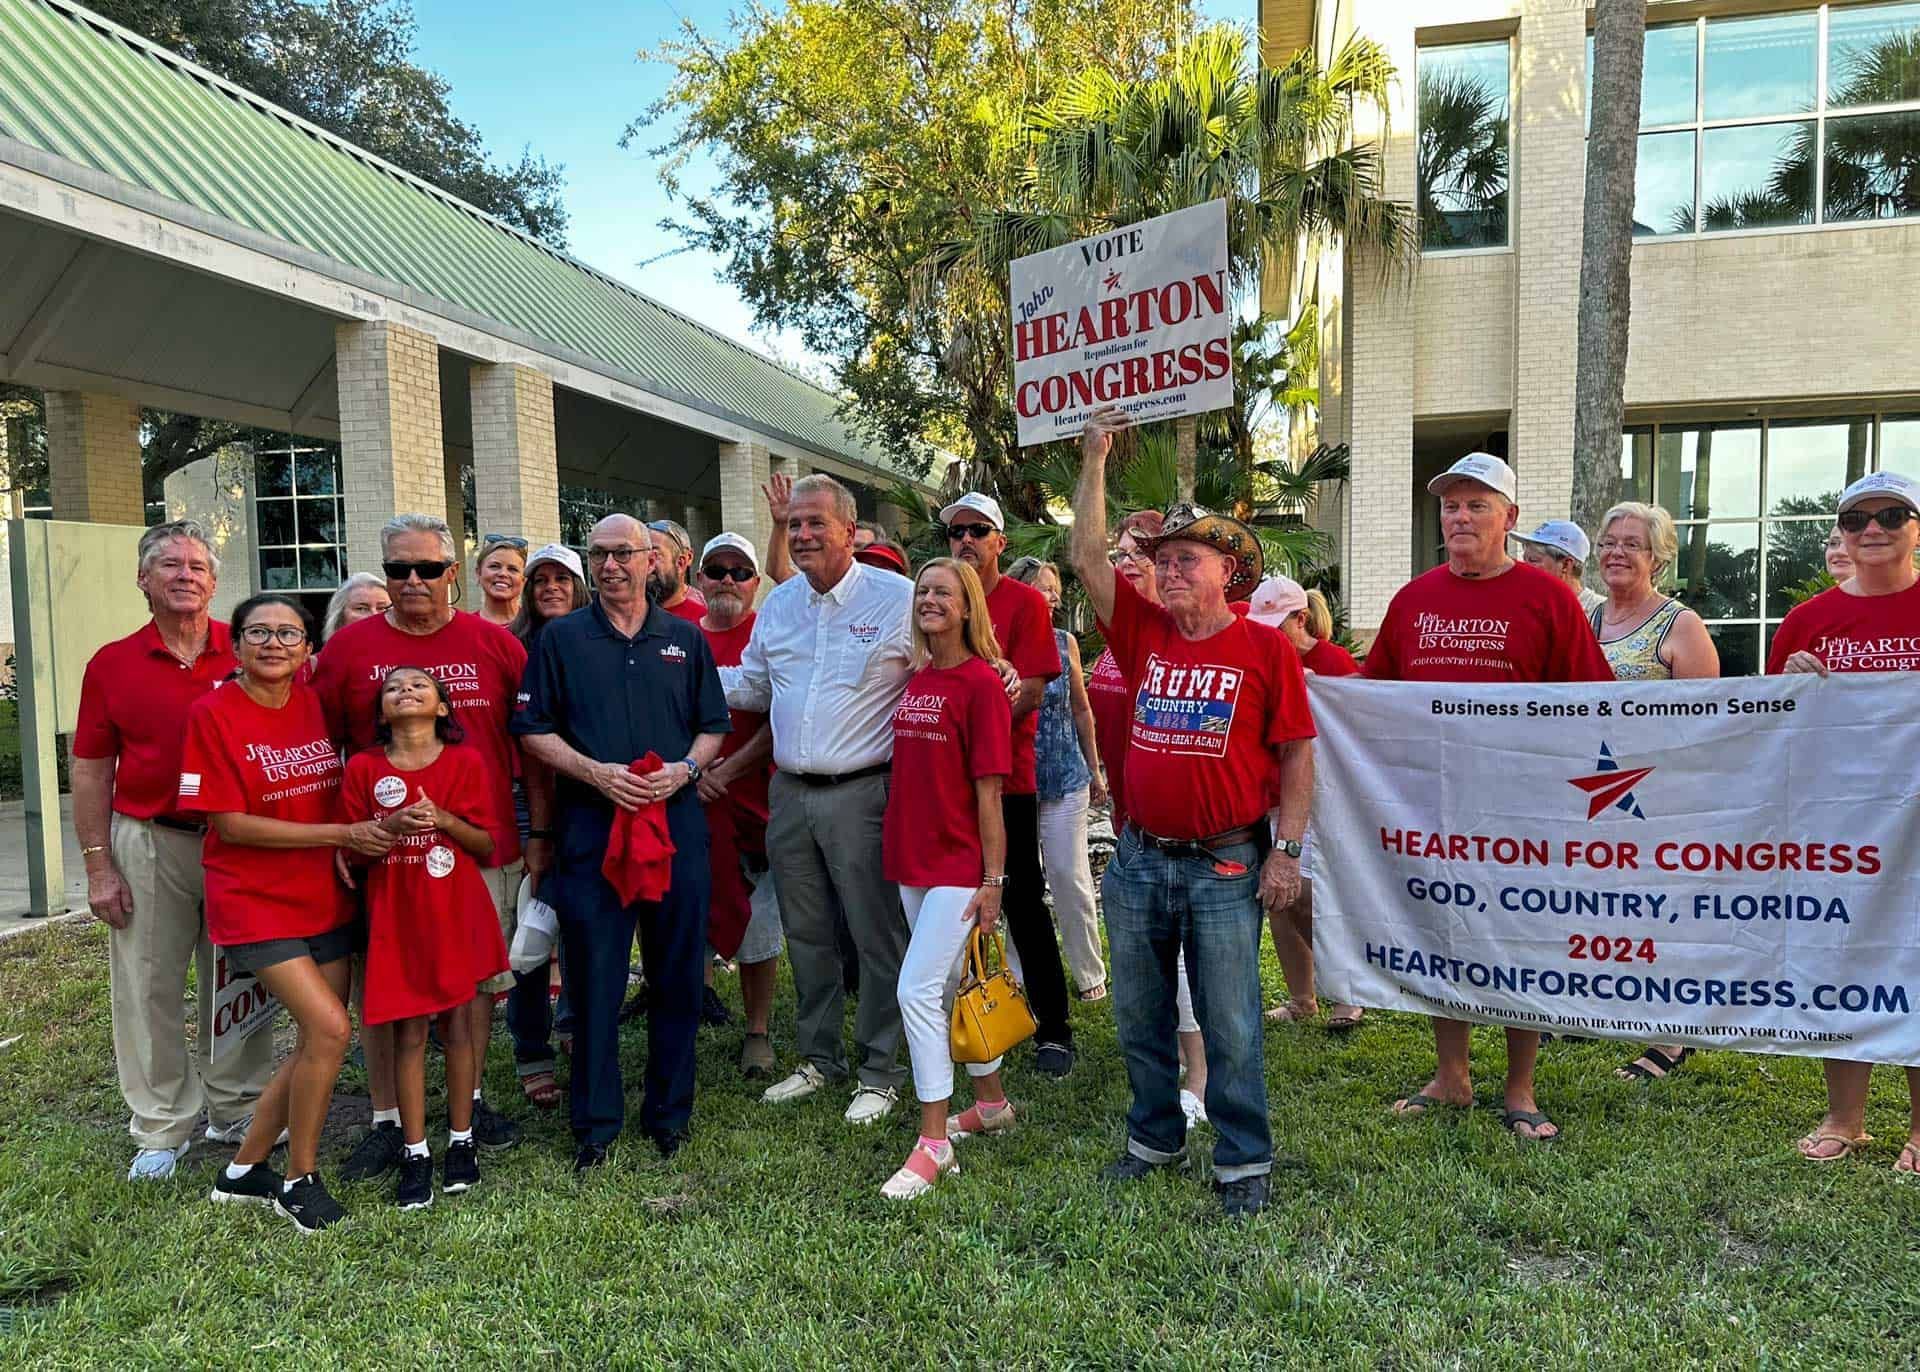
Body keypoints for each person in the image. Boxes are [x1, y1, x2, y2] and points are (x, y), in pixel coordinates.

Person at [1068, 409, 1316, 1218]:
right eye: (1161, 561)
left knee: (1233, 1018)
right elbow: (1085, 559)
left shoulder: (1265, 647)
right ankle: (1155, 1138)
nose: (1168, 573)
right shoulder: (1145, 635)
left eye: (1185, 561)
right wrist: (1096, 459)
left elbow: (1297, 753)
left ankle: (1244, 1162)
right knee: (1140, 1012)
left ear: (1227, 573)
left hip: (1227, 859)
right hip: (1140, 857)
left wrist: (1287, 851)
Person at [1364, 452, 1615, 1142]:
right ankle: (1451, 1076)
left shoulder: (1548, 598)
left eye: (1477, 505)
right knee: (1444, 935)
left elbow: (1593, 703)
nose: (1460, 517)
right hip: (1434, 809)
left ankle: (1521, 1087)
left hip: (1523, 810)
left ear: (1508, 517)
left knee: (1519, 937)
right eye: (1451, 506)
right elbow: (1371, 695)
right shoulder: (1414, 600)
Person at [311, 513, 537, 1176]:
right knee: (388, 985)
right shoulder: (351, 651)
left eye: (428, 569)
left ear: (452, 575)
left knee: (475, 983)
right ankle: (387, 1121)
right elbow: (325, 747)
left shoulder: (493, 644)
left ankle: (468, 1104)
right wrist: (336, 836)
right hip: (384, 856)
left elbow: (531, 744)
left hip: (480, 848)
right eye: (399, 570)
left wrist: (540, 832)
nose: (413, 581)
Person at [514, 514, 730, 1168]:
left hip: (674, 827)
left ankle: (668, 1115)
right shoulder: (561, 641)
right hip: (592, 826)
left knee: (675, 976)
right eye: (599, 554)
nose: (610, 566)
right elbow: (530, 728)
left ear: (651, 562)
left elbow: (713, 727)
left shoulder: (686, 640)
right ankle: (596, 1126)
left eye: (623, 554)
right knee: (596, 980)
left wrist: (686, 770)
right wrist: (592, 771)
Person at [71, 520, 276, 1180]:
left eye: (197, 565)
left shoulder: (248, 654)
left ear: (215, 582)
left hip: (238, 842)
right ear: (143, 579)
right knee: (148, 985)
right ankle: (162, 1123)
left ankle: (237, 1107)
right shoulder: (112, 664)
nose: (185, 574)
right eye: (169, 565)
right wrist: (98, 863)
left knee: (241, 977)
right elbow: (92, 768)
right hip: (151, 842)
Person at [183, 594, 392, 1234]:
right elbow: (230, 823)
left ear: (307, 647)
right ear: (237, 643)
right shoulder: (212, 713)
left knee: (318, 1038)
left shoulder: (316, 706)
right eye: (258, 632)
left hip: (325, 896)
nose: (273, 643)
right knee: (330, 1031)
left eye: (288, 633)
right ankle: (299, 1179)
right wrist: (340, 837)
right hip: (254, 900)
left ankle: (244, 1172)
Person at [722, 473, 915, 1125]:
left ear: (850, 531)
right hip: (790, 794)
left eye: (815, 523)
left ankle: (881, 1069)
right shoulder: (780, 606)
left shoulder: (897, 599)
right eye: (794, 524)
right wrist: (680, 673)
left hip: (865, 793)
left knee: (874, 933)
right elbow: (751, 687)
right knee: (807, 934)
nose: (802, 534)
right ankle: (819, 1058)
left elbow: (945, 669)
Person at [1768, 471, 1920, 1171]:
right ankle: (1846, 1119)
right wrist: (1794, 685)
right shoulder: (1807, 620)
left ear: (1916, 526)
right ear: (1842, 535)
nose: (1874, 530)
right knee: (1843, 957)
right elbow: (1772, 728)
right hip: (1841, 823)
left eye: (1892, 514)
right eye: (1857, 519)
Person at [342, 667, 510, 1207]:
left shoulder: (465, 762)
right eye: (393, 688)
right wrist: (388, 829)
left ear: (441, 707)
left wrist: (442, 820)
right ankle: (416, 1150)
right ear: (382, 711)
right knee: (408, 1035)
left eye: (419, 685)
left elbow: (486, 842)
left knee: (459, 1026)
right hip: (398, 918)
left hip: (455, 914)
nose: (405, 691)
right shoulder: (364, 768)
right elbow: (351, 854)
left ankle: (462, 1140)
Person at [879, 557, 1016, 1199]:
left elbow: (991, 795)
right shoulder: (920, 676)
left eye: (944, 592)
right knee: (953, 987)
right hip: (912, 857)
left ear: (967, 607)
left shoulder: (981, 684)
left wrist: (994, 880)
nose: (930, 599)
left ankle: (933, 1142)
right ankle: (990, 1106)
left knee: (916, 991)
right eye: (923, 591)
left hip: (961, 865)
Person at [1585, 502, 1720, 1082]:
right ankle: (1597, 1008)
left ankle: (1672, 1037)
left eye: (1632, 544)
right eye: (1609, 541)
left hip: (1661, 798)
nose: (1616, 552)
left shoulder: (1679, 625)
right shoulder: (1585, 622)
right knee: (1602, 908)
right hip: (1591, 791)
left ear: (1658, 557)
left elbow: (1708, 722)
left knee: (1664, 915)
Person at [941, 492, 1074, 1078]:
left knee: (1021, 901)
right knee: (945, 899)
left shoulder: (1022, 603)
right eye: (955, 532)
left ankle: (1054, 1029)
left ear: (1001, 542)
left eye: (977, 531)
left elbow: (1038, 690)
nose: (965, 540)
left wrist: (981, 722)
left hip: (1006, 781)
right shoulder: (939, 595)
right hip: (943, 784)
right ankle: (957, 1017)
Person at [1086, 509, 1212, 1121]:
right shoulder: (1122, 633)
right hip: (1131, 816)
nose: (1131, 559)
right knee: (1148, 956)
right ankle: (1166, 1064)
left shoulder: (1171, 629)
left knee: (1188, 958)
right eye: (1127, 549)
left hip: (1187, 835)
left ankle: (1200, 1074)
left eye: (1146, 550)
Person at [1245, 574, 1363, 1032]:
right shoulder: (1259, 658)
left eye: (1279, 625)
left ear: (1302, 619)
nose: (1269, 634)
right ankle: (1302, 996)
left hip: (1321, 798)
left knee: (1309, 893)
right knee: (1277, 897)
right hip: (1271, 795)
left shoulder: (1333, 663)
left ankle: (1347, 989)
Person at [692, 532, 786, 1078]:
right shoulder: (679, 637)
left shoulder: (768, 635)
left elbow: (784, 717)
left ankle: (757, 1031)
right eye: (716, 569)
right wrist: (693, 772)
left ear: (755, 583)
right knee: (686, 918)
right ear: (698, 578)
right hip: (690, 802)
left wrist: (727, 771)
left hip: (754, 804)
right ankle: (686, 1012)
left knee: (760, 922)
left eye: (740, 571)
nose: (727, 580)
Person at [505, 543, 590, 1108]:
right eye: (541, 580)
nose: (551, 587)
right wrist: (537, 832)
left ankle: (576, 1028)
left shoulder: (598, 644)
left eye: (563, 578)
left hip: (588, 801)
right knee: (529, 934)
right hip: (522, 806)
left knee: (587, 929)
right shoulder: (511, 650)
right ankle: (531, 1050)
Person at [1009, 556, 1108, 1002]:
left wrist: (1095, 767)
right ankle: (1019, 977)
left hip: (1066, 777)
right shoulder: (997, 643)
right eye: (1043, 588)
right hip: (1015, 784)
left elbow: (1081, 709)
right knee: (1020, 885)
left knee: (1070, 878)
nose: (1052, 596)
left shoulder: (1064, 641)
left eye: (1055, 589)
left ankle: (1089, 973)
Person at [1515, 519, 1605, 617]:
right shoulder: (1527, 609)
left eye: (1533, 560)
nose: (1524, 567)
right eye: (1524, 560)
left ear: (1566, 565)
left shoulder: (1601, 614)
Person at [647, 518, 708, 623]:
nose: (647, 563)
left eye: (655, 554)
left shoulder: (706, 618)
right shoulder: (622, 615)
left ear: (681, 562)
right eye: (642, 554)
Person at [320, 572, 391, 647]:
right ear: (339, 617)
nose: (374, 615)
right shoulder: (325, 657)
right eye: (361, 609)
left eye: (382, 608)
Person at [475, 534, 528, 628]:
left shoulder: (538, 628)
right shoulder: (465, 628)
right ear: (478, 573)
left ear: (523, 580)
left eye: (512, 569)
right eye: (494, 566)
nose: (503, 574)